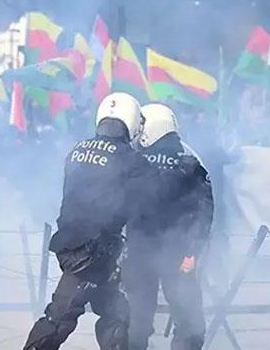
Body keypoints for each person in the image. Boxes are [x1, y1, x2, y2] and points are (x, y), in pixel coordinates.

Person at [22, 93, 201, 350]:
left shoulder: (78, 150)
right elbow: (157, 191)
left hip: (77, 247)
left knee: (118, 314)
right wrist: (185, 172)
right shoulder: (128, 159)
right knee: (58, 320)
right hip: (92, 255)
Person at [123, 103, 214, 350]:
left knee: (136, 320)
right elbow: (205, 211)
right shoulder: (191, 161)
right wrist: (194, 251)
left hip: (138, 251)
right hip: (181, 253)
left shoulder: (132, 160)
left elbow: (118, 205)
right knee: (189, 322)